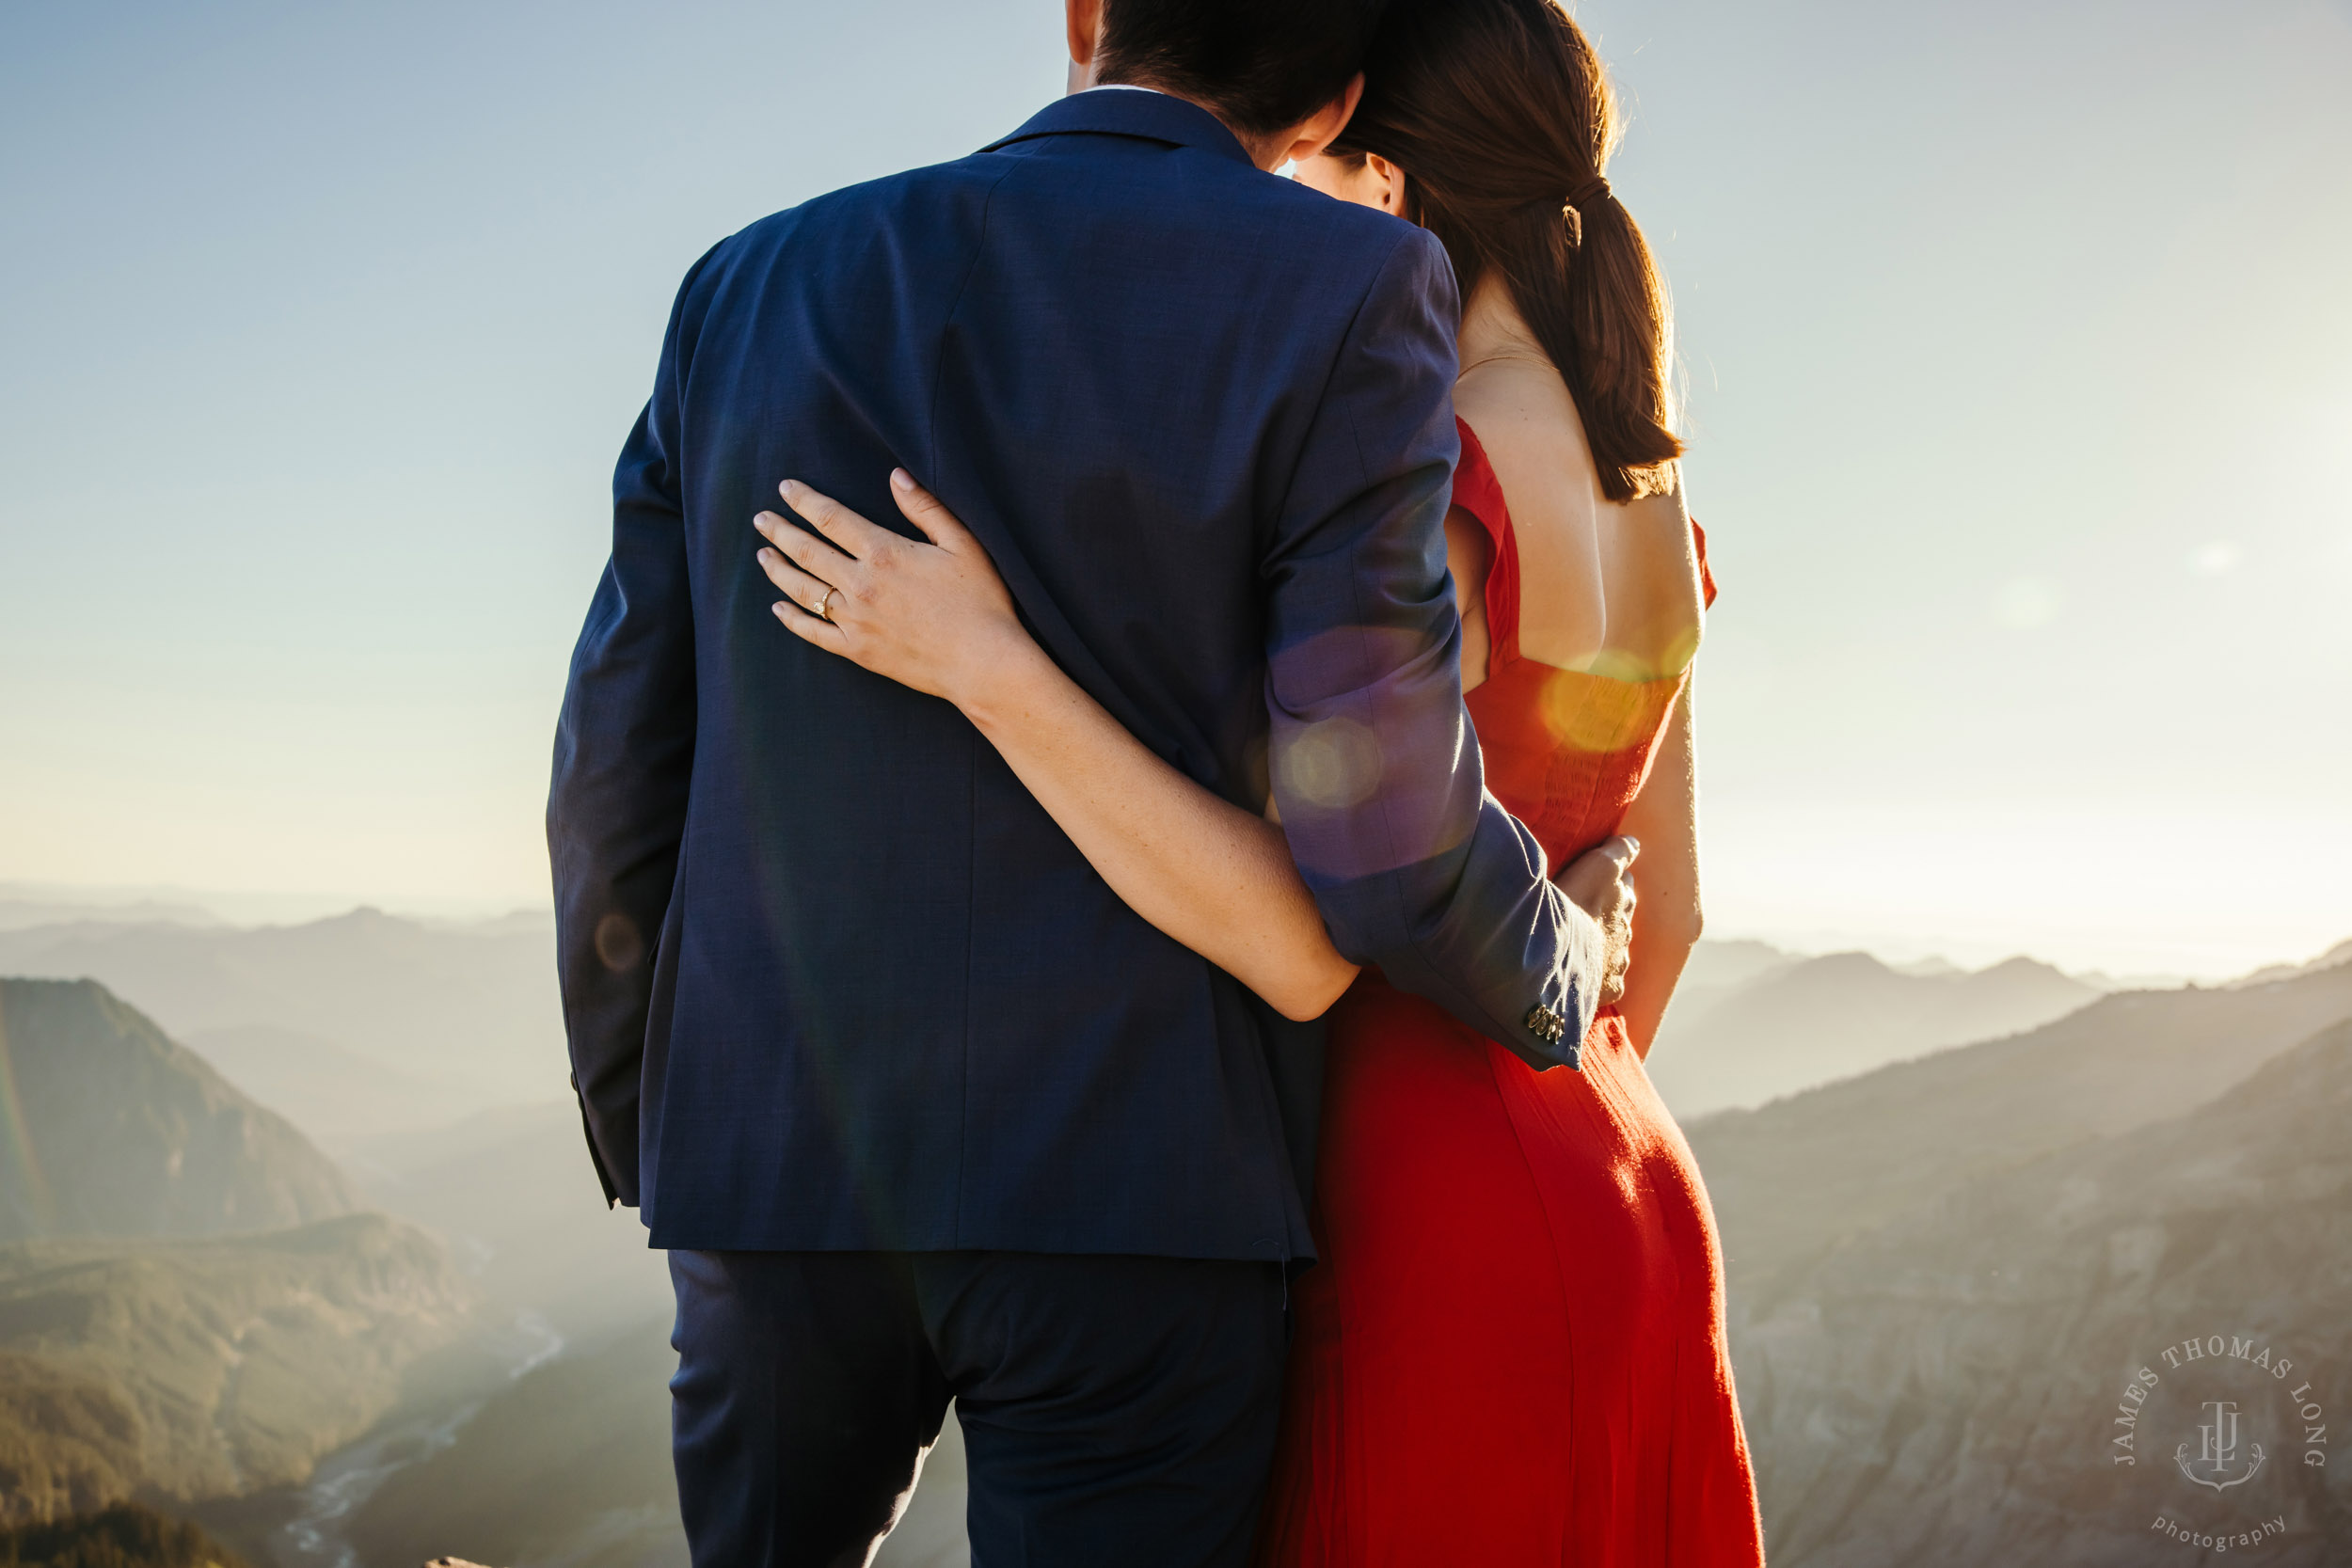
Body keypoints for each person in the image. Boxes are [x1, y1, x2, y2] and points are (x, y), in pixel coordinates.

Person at [546, 0, 1640, 1562]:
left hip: (775, 1172)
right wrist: (1562, 962)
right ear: (1337, 100)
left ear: (1084, 14)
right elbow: (1381, 825)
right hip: (1151, 1198)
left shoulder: (749, 282)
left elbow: (614, 763)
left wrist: (657, 1120)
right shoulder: (1349, 290)